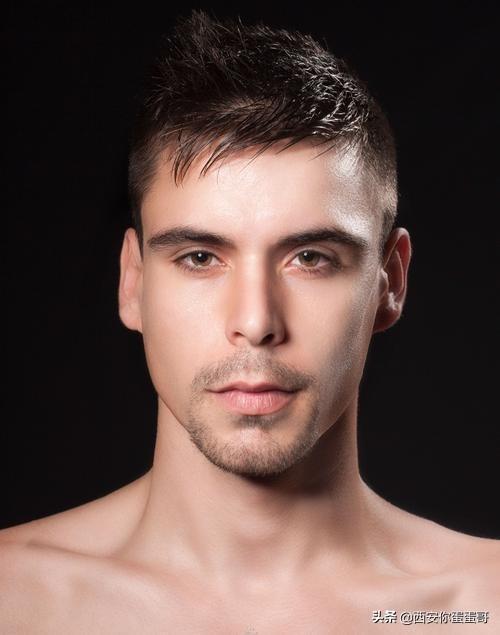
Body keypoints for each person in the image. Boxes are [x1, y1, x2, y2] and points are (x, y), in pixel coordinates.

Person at [1, 9, 498, 633]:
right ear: (133, 282)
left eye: (311, 258)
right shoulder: (14, 600)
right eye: (200, 257)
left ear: (390, 282)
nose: (256, 321)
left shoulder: (479, 608)